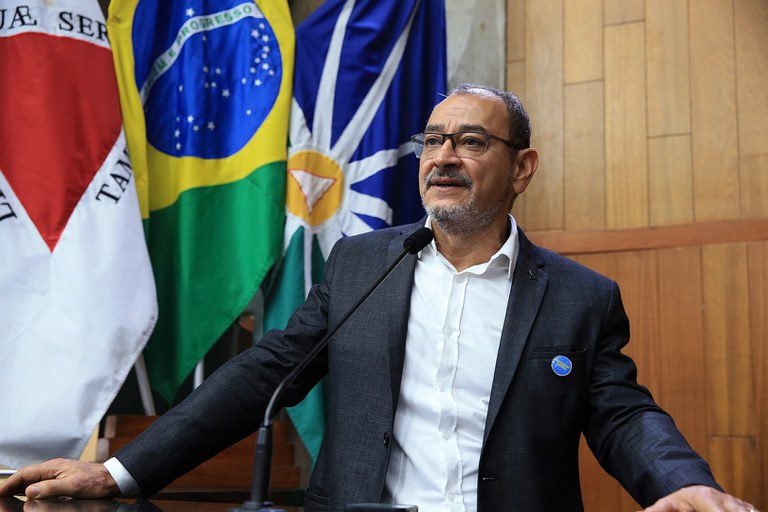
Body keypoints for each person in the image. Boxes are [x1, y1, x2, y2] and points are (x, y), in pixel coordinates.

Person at [0, 84, 760, 512]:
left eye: (471, 142)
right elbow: (264, 374)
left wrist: (684, 483)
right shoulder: (364, 265)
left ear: (522, 168)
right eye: (433, 140)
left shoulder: (578, 296)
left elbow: (623, 415)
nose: (443, 158)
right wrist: (119, 473)